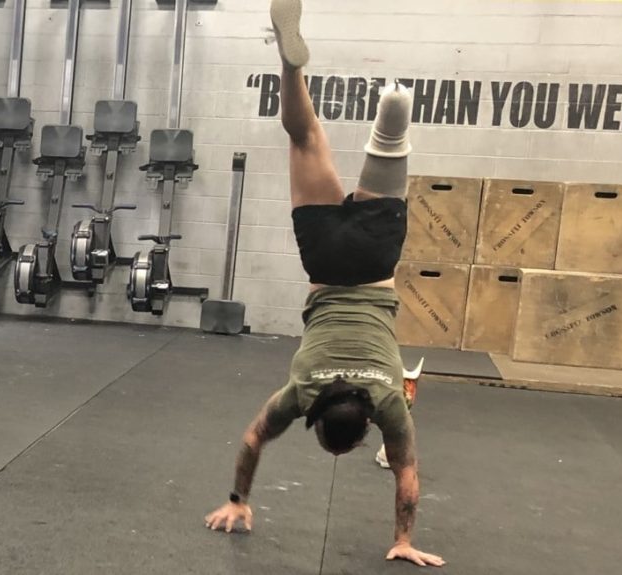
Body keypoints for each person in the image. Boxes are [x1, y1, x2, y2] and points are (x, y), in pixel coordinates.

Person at [204, 0, 445, 568]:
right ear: (318, 418)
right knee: (304, 136)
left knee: (388, 148)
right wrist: (238, 500)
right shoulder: (300, 392)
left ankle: (392, 114)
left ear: (366, 426)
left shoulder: (388, 403)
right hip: (323, 262)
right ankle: (291, 69)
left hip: (375, 262)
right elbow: (251, 440)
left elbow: (407, 476)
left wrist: (404, 540)